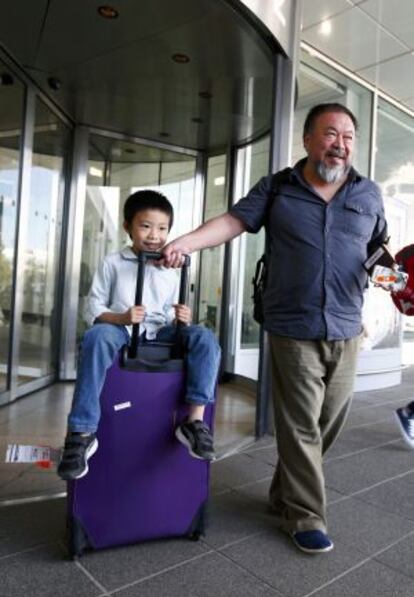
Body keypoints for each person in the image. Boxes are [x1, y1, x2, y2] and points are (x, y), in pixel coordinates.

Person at [162, 103, 388, 554]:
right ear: (307, 140)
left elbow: (379, 248)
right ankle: (305, 514)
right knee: (301, 424)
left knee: (327, 423)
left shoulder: (369, 194)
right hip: (292, 326)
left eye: (347, 137)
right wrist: (186, 241)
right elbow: (233, 221)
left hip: (347, 326)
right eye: (330, 134)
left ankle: (283, 492)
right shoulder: (279, 188)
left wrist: (397, 277)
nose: (339, 144)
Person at [57, 190, 220, 481]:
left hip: (160, 329)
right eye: (145, 226)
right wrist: (120, 317)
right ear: (128, 227)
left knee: (204, 338)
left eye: (162, 228)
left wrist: (183, 318)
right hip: (121, 327)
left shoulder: (172, 266)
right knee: (97, 336)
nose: (154, 235)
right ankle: (82, 433)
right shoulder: (112, 262)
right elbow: (92, 306)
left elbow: (171, 314)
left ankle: (194, 422)